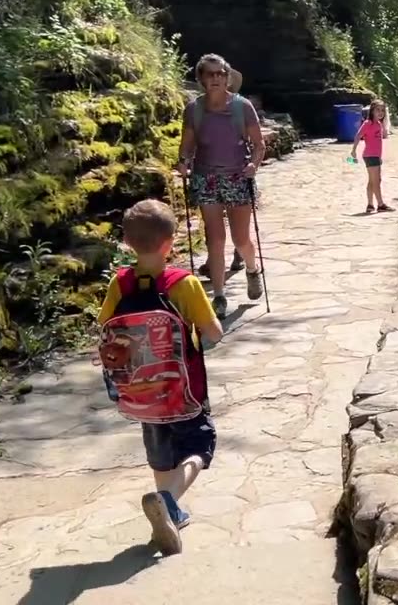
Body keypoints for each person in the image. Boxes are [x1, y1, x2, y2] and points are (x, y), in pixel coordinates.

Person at [98, 199, 224, 556]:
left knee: (161, 453)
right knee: (199, 447)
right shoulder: (182, 283)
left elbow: (105, 327)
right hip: (185, 391)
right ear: (169, 243)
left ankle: (170, 515)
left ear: (127, 242)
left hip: (140, 393)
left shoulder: (120, 283)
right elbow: (212, 332)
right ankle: (168, 501)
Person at [176, 54, 265, 319]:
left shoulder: (242, 107)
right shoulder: (193, 109)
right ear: (202, 78)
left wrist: (254, 166)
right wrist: (183, 163)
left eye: (221, 73)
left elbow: (259, 145)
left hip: (238, 176)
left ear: (227, 77)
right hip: (207, 178)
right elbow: (187, 146)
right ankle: (219, 296)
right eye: (210, 74)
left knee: (241, 238)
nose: (216, 78)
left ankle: (251, 269)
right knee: (215, 240)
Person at [351, 99, 393, 214]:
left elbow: (381, 138)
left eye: (382, 111)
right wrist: (353, 150)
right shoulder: (368, 123)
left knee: (372, 181)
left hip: (375, 156)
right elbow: (358, 135)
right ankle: (380, 204)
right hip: (370, 155)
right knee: (376, 181)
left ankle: (370, 204)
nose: (380, 113)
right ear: (372, 111)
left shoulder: (378, 124)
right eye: (378, 110)